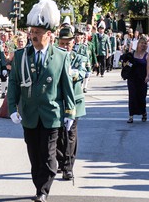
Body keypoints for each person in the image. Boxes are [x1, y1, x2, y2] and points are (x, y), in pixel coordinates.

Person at [8, 0, 76, 202]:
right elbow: (13, 84)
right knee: (34, 154)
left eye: (37, 32)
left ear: (49, 34)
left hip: (51, 114)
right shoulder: (21, 56)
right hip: (29, 114)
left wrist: (69, 112)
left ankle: (43, 190)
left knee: (48, 154)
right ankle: (39, 185)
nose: (33, 35)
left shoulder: (61, 56)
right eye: (32, 31)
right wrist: (12, 108)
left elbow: (66, 86)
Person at [55, 27, 87, 181]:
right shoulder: (54, 57)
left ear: (73, 43)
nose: (65, 46)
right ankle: (61, 161)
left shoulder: (78, 57)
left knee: (70, 133)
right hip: (57, 101)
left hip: (74, 100)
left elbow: (82, 72)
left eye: (68, 43)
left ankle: (68, 167)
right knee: (58, 134)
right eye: (62, 43)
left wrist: (70, 74)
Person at [122, 35, 149, 123]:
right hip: (132, 78)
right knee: (132, 96)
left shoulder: (147, 55)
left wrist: (148, 76)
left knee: (141, 97)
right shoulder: (131, 54)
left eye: (145, 43)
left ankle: (143, 113)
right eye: (141, 43)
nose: (143, 45)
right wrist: (126, 67)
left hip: (142, 78)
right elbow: (125, 63)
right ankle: (131, 116)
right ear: (138, 44)